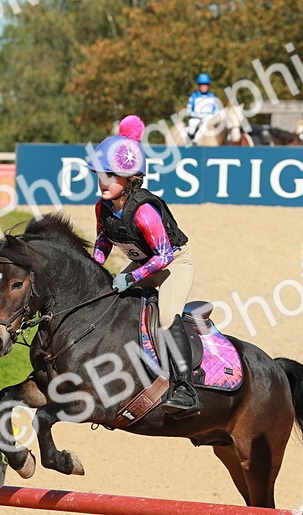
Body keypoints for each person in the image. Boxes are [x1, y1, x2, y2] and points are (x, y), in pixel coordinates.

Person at [87, 115, 202, 418]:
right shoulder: (103, 207)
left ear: (129, 179)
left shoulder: (145, 211)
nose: (102, 182)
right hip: (144, 264)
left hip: (173, 264)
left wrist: (133, 277)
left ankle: (184, 388)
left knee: (165, 317)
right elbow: (103, 243)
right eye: (100, 175)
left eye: (109, 176)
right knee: (104, 299)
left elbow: (164, 256)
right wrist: (94, 270)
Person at [184, 73, 221, 145]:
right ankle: (191, 143)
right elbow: (189, 110)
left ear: (208, 86)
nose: (204, 87)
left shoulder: (213, 96)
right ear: (199, 86)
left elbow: (217, 109)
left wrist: (212, 116)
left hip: (210, 119)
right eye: (202, 85)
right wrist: (198, 116)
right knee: (192, 125)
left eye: (206, 85)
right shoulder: (194, 96)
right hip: (197, 119)